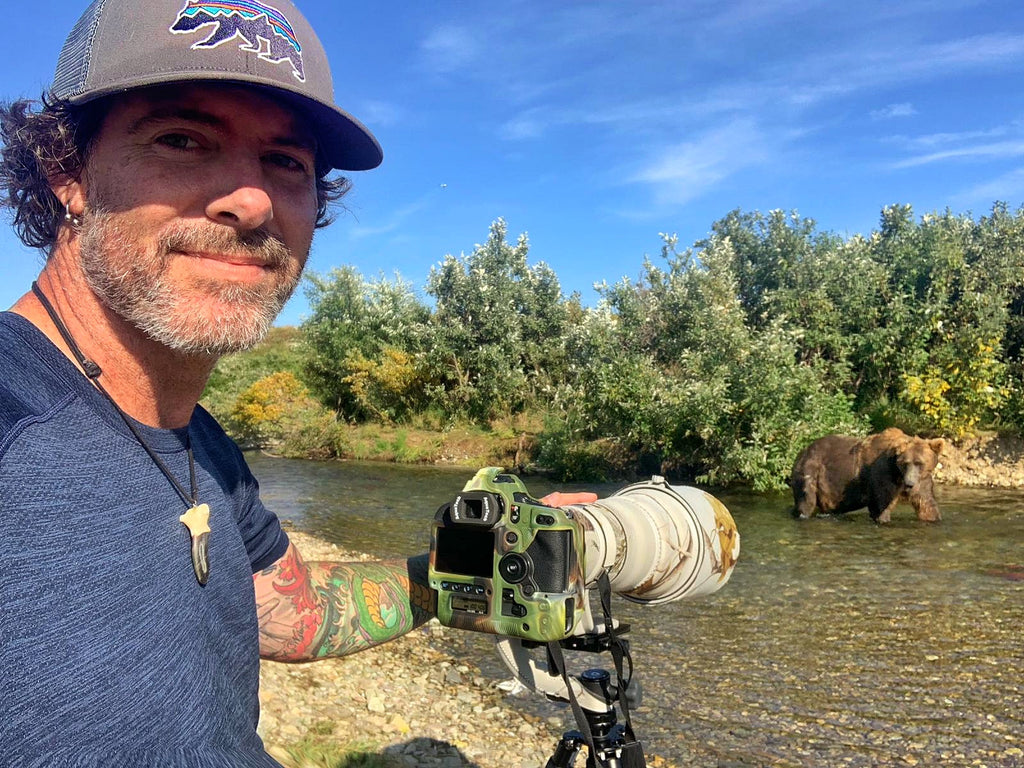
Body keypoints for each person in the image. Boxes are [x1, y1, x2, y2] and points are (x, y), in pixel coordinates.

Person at [0, 1, 595, 765]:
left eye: (286, 162)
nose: (251, 202)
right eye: (182, 139)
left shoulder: (197, 440)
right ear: (67, 172)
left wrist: (470, 570)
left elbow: (287, 614)